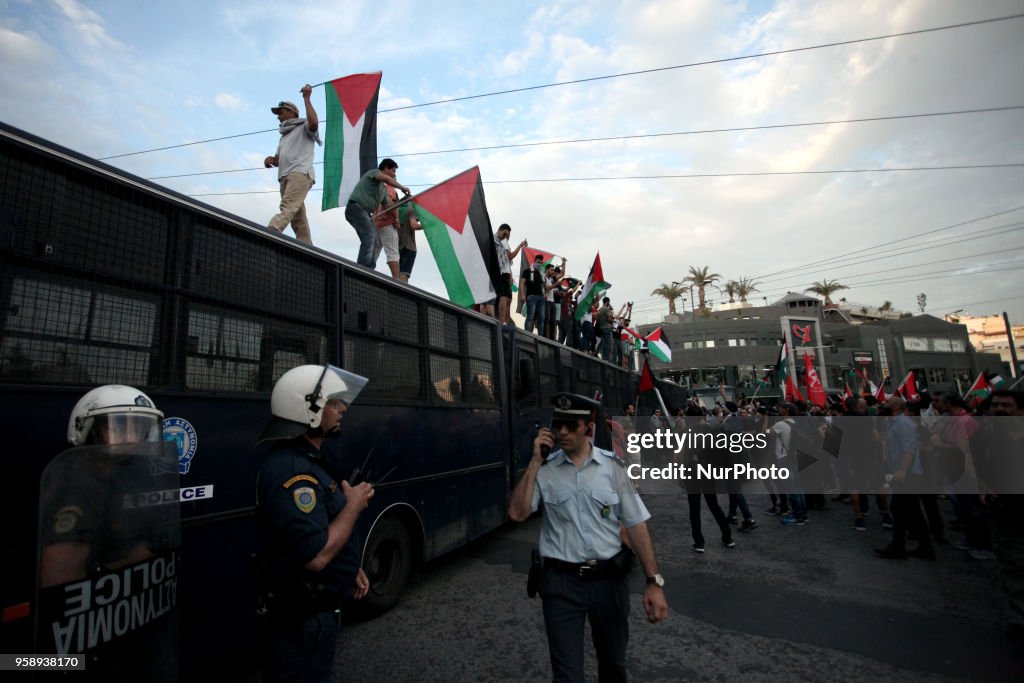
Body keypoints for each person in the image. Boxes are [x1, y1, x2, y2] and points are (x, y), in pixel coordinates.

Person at [508, 393, 668, 682]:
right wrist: (534, 462)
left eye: (572, 425)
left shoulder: (613, 469)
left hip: (608, 582)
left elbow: (637, 525)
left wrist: (653, 582)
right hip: (560, 584)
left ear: (588, 427)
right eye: (558, 426)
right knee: (567, 674)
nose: (563, 433)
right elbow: (518, 513)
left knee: (613, 666)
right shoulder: (545, 471)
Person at [256, 365, 375, 683]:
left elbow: (323, 529)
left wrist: (350, 568)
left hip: (315, 615)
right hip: (299, 622)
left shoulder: (312, 462)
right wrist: (352, 506)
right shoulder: (292, 472)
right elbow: (317, 555)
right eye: (334, 403)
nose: (343, 409)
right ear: (308, 410)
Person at [265, 86, 322, 244]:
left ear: (292, 113)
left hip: (300, 173)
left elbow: (314, 123)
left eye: (281, 112)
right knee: (297, 218)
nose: (278, 117)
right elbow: (278, 159)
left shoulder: (303, 126)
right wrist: (271, 159)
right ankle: (307, 246)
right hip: (284, 176)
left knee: (288, 206)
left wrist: (307, 99)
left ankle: (273, 228)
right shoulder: (283, 136)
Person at [346, 159, 410, 269]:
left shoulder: (383, 190)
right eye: (393, 171)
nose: (394, 174)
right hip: (356, 207)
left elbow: (389, 206)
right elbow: (385, 178)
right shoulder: (374, 172)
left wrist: (402, 201)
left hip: (365, 212)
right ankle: (362, 267)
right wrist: (402, 187)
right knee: (369, 236)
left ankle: (369, 267)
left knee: (374, 239)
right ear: (385, 168)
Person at [494, 224, 526, 324]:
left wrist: (511, 275)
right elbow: (511, 256)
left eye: (507, 236)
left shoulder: (505, 242)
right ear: (499, 230)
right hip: (500, 271)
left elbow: (508, 262)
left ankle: (507, 319)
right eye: (504, 234)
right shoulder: (494, 239)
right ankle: (502, 320)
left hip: (506, 272)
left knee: (508, 297)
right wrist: (520, 246)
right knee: (503, 296)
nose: (505, 237)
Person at [372, 178, 402, 279]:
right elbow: (390, 204)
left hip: (375, 224)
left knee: (373, 252)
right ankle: (397, 280)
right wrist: (397, 219)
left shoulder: (379, 189)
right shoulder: (391, 190)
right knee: (393, 252)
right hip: (388, 223)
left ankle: (365, 272)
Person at [397, 204, 422, 283]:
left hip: (396, 247)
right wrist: (429, 224)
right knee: (404, 275)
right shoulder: (411, 210)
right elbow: (414, 225)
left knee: (396, 276)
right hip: (409, 247)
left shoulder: (396, 210)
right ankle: (401, 294)